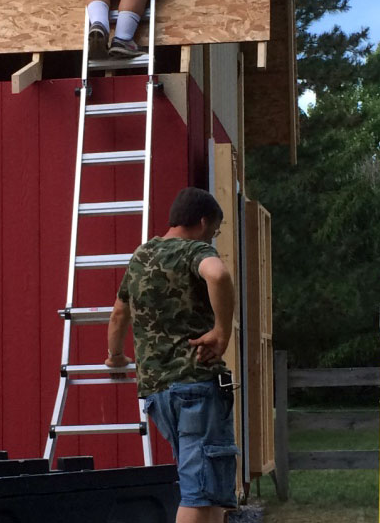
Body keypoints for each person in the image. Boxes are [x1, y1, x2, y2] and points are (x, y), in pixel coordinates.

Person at [105, 187, 238, 523]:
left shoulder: (141, 256)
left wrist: (116, 357)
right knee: (198, 491)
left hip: (157, 392)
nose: (214, 238)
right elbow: (218, 275)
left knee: (209, 490)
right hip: (195, 386)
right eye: (216, 231)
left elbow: (119, 313)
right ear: (204, 222)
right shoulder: (194, 251)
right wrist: (222, 331)